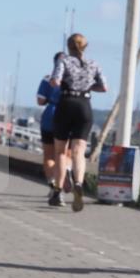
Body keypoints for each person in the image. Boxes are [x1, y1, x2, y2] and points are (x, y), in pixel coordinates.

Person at [49, 33, 108, 212]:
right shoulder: (94, 64)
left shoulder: (64, 61)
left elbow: (55, 81)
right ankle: (79, 183)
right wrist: (88, 86)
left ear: (69, 46)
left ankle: (58, 191)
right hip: (84, 106)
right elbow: (104, 87)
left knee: (60, 152)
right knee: (78, 152)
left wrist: (61, 83)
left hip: (66, 104)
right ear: (85, 46)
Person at [36, 52, 69, 205]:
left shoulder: (47, 78)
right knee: (63, 154)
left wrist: (50, 97)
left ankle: (52, 185)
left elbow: (40, 100)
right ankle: (63, 178)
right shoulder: (72, 79)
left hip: (50, 116)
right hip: (68, 116)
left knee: (49, 156)